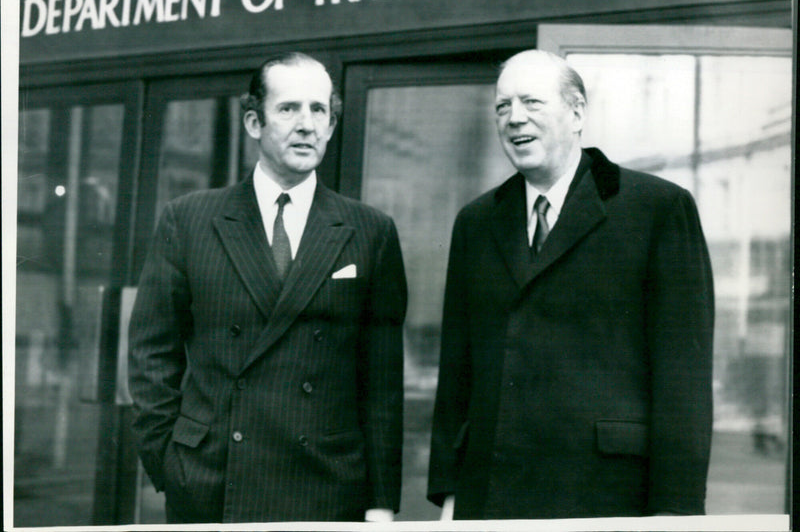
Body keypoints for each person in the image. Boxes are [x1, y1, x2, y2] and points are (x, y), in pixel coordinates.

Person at [427, 49, 714, 519]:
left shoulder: (657, 210)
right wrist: (451, 494)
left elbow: (683, 378)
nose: (514, 118)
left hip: (608, 497)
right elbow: (457, 374)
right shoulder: (476, 223)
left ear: (577, 111)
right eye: (503, 106)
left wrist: (675, 512)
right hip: (493, 497)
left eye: (532, 103)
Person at [128, 52, 407, 523]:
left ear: (333, 125)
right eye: (288, 109)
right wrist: (171, 463)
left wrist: (380, 502)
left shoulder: (369, 230)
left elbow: (381, 383)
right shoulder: (190, 218)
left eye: (319, 111)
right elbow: (151, 357)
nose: (307, 125)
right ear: (253, 121)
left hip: (324, 487)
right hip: (212, 485)